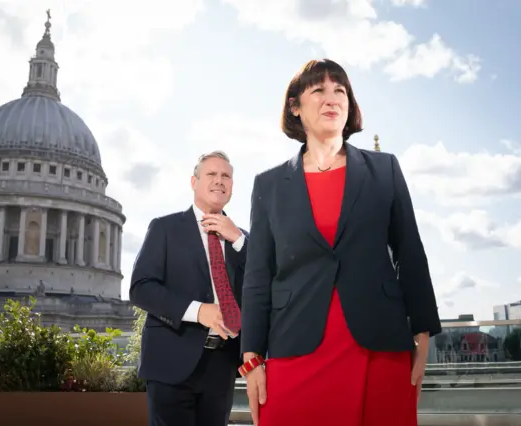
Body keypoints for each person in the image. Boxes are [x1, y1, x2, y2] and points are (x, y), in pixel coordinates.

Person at [239, 59, 442, 425]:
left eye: (340, 90)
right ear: (295, 107)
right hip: (294, 345)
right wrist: (251, 358)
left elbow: (410, 252)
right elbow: (257, 277)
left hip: (379, 346)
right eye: (318, 90)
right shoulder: (267, 186)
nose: (331, 98)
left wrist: (423, 329)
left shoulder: (385, 170)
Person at [130, 151, 249, 426]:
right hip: (171, 360)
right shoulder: (165, 228)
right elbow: (141, 288)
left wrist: (239, 240)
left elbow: (262, 286)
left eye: (226, 176)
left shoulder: (243, 240)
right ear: (194, 182)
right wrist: (198, 312)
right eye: (211, 174)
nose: (219, 181)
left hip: (222, 365)